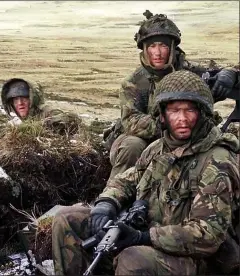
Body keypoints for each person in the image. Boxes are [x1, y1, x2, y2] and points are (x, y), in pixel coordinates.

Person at [52, 70, 240, 275]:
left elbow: (208, 235)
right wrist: (106, 204)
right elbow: (128, 179)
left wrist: (145, 237)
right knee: (66, 219)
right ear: (162, 115)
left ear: (203, 113)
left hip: (195, 259)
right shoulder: (158, 148)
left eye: (190, 110)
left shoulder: (217, 161)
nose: (182, 119)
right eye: (174, 110)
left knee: (132, 260)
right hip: (146, 235)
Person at [104, 10, 239, 179]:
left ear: (173, 48)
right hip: (144, 138)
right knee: (133, 145)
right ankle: (115, 197)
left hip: (185, 135)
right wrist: (171, 123)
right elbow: (132, 122)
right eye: (152, 46)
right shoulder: (133, 83)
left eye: (164, 46)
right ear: (145, 49)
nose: (158, 53)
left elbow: (216, 74)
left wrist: (230, 73)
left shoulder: (190, 72)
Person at [0, 78, 79, 133]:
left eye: (24, 98)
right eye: (16, 99)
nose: (20, 103)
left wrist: (41, 126)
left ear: (32, 99)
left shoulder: (46, 112)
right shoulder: (15, 123)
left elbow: (70, 118)